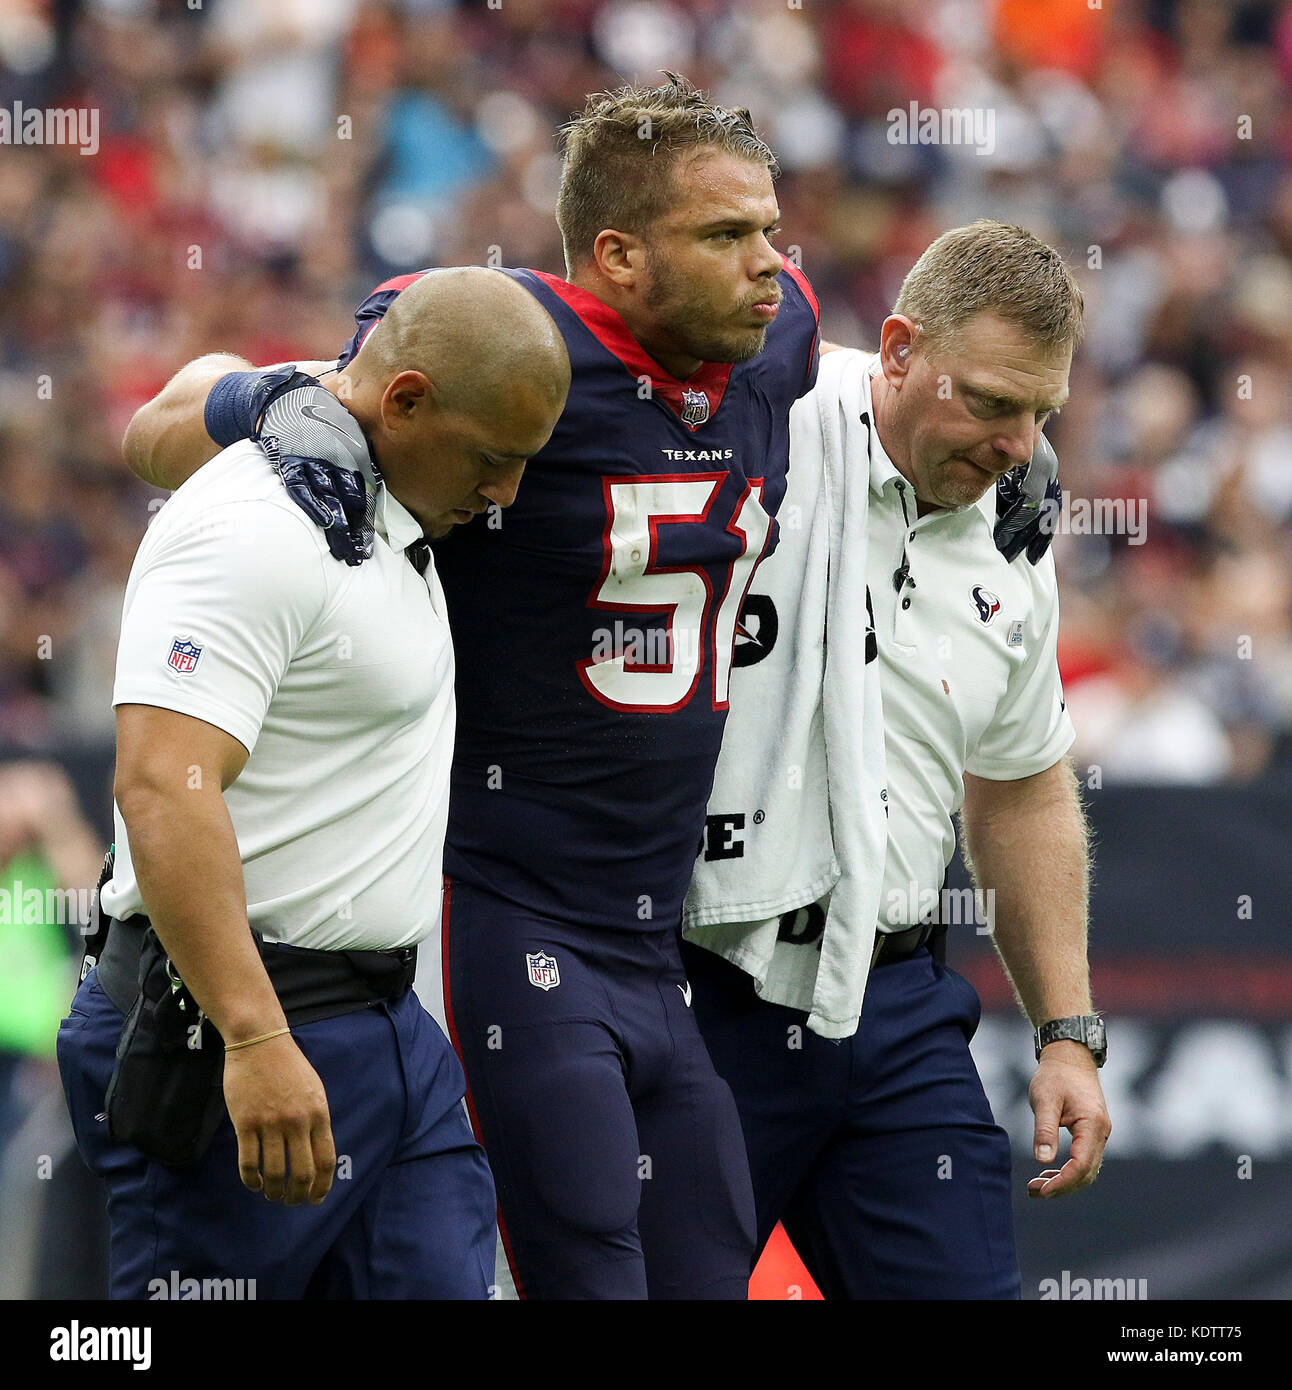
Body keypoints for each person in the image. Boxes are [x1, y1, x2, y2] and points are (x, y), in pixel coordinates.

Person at [120, 74, 823, 1300]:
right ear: (615, 256)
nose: (770, 262)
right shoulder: (502, 356)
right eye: (726, 236)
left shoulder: (778, 338)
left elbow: (864, 372)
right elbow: (172, 425)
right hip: (502, 914)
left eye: (769, 229)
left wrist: (982, 441)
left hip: (660, 933)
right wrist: (276, 404)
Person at [56, 267, 570, 1300]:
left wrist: (264, 391)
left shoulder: (368, 452)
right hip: (227, 1022)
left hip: (387, 1030)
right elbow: (165, 788)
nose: (504, 493)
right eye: (490, 459)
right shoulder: (255, 522)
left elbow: (206, 398)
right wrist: (253, 1035)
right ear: (406, 399)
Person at [682, 220, 1112, 1300]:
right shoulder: (760, 417)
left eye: (1038, 412)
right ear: (898, 348)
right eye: (989, 400)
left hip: (892, 1003)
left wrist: (1065, 1032)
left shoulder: (1010, 528)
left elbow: (1019, 789)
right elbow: (526, 356)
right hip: (701, 987)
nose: (1017, 443)